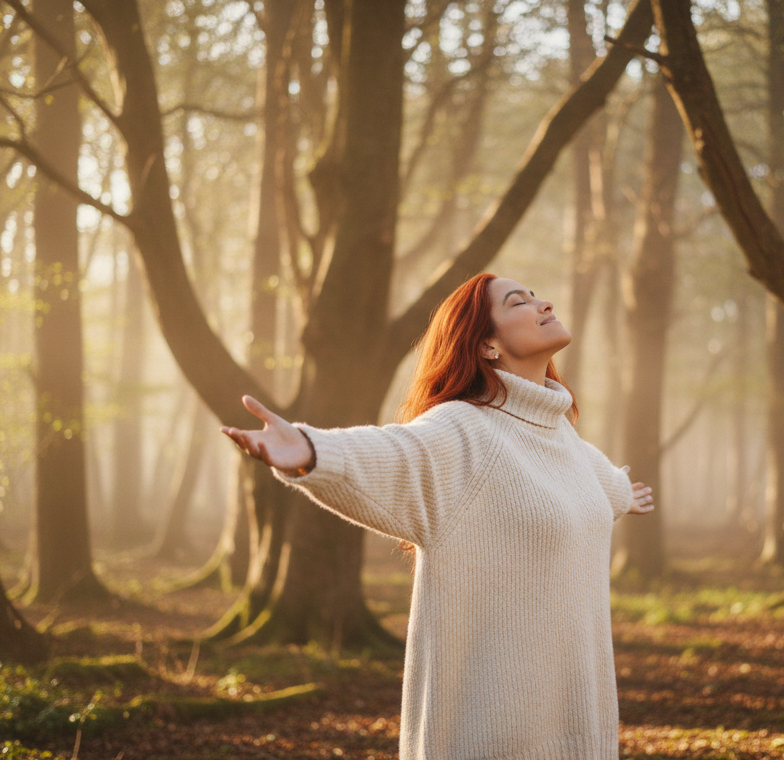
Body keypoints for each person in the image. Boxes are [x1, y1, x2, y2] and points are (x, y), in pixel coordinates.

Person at [221, 273, 655, 760]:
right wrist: (308, 449)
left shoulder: (563, 437)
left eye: (536, 296)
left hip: (580, 729)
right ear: (487, 343)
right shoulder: (463, 428)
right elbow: (394, 453)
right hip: (491, 734)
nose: (543, 303)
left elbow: (593, 486)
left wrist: (620, 495)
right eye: (519, 302)